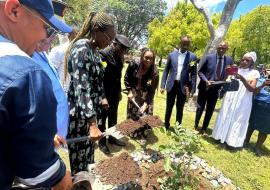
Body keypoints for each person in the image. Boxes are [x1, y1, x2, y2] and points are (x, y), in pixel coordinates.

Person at [0, 0, 72, 189]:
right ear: (14, 10)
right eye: (46, 28)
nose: (44, 37)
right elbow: (41, 176)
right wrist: (64, 178)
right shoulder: (26, 73)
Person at [65, 12, 116, 175]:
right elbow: (82, 88)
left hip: (90, 115)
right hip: (80, 118)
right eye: (108, 38)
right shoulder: (81, 48)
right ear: (96, 30)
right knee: (80, 164)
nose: (109, 43)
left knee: (89, 159)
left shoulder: (94, 51)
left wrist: (102, 97)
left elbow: (96, 80)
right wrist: (92, 124)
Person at [212, 52, 259, 148]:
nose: (244, 62)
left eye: (247, 60)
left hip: (243, 100)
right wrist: (227, 73)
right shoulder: (235, 70)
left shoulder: (254, 73)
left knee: (237, 119)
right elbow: (226, 82)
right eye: (243, 59)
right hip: (230, 97)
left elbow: (252, 89)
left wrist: (242, 79)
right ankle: (219, 137)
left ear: (251, 62)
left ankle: (232, 142)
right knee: (225, 115)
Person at [98, 34, 131, 154]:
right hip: (104, 94)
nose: (124, 52)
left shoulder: (119, 55)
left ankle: (112, 138)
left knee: (113, 118)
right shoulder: (103, 54)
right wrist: (103, 97)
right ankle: (102, 142)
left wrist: (119, 92)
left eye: (125, 50)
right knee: (102, 118)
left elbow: (118, 76)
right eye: (122, 48)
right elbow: (99, 79)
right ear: (115, 44)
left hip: (114, 93)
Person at [195, 41, 233, 134]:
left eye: (223, 48)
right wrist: (206, 81)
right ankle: (195, 126)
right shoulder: (209, 57)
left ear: (226, 49)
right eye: (220, 47)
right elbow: (200, 72)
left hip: (216, 89)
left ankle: (204, 128)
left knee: (210, 109)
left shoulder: (229, 60)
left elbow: (229, 74)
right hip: (205, 87)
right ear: (217, 47)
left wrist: (226, 79)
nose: (221, 49)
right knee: (200, 108)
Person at [160, 36, 197, 129]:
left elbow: (194, 74)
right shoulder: (171, 55)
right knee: (169, 106)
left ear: (189, 44)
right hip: (171, 85)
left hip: (183, 86)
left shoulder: (193, 57)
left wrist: (193, 88)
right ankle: (166, 124)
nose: (185, 45)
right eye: (183, 43)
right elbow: (166, 71)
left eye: (187, 44)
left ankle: (178, 127)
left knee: (180, 108)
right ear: (180, 43)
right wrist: (162, 85)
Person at [124, 48, 159, 120]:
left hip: (147, 94)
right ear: (142, 57)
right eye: (146, 57)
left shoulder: (155, 72)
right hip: (134, 92)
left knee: (146, 118)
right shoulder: (133, 64)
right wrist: (129, 92)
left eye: (151, 58)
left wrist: (145, 104)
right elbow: (127, 78)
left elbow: (152, 90)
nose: (148, 60)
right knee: (132, 118)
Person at [245, 67, 270, 155]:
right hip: (257, 105)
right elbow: (254, 92)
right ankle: (246, 141)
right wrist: (263, 85)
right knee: (251, 125)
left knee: (265, 129)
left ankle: (257, 147)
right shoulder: (261, 80)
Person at [49, 28, 78, 93]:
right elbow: (50, 72)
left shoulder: (82, 51)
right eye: (75, 34)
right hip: (61, 92)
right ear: (68, 36)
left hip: (75, 92)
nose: (77, 36)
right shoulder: (59, 51)